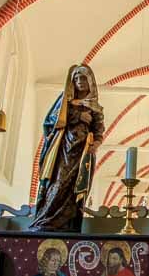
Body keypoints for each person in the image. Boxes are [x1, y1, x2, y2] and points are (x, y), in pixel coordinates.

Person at [30, 65, 104, 232]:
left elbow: (99, 130)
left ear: (90, 81)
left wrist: (96, 144)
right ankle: (46, 220)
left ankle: (69, 224)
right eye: (76, 79)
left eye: (83, 78)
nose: (80, 82)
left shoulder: (95, 107)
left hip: (83, 152)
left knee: (74, 187)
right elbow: (51, 120)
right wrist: (78, 115)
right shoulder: (65, 102)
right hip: (63, 149)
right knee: (59, 182)